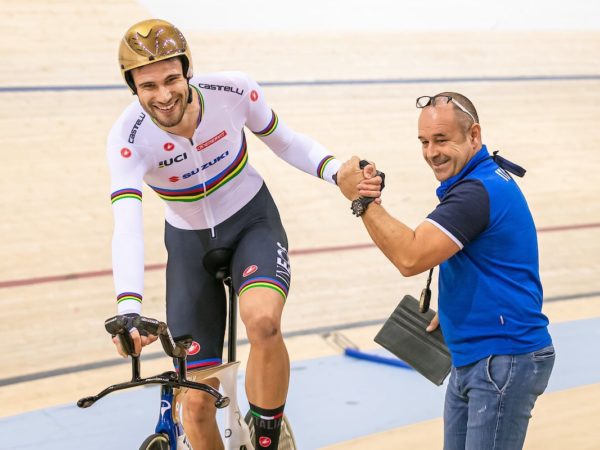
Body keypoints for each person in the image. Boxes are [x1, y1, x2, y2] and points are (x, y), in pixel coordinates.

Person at [107, 18, 350, 450]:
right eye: (148, 86)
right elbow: (126, 224)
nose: (163, 95)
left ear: (188, 71)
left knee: (263, 321)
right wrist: (128, 308)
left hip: (252, 222)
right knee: (196, 405)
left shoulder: (232, 91)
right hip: (189, 245)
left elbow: (286, 141)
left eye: (171, 79)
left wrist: (335, 171)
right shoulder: (128, 137)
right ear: (133, 88)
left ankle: (268, 437)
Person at [336, 92, 555, 450]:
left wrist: (362, 201)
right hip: (480, 356)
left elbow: (410, 257)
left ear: (474, 135)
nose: (431, 152)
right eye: (424, 142)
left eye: (441, 139)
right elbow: (489, 259)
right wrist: (458, 305)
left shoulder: (476, 192)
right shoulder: (481, 180)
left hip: (501, 358)